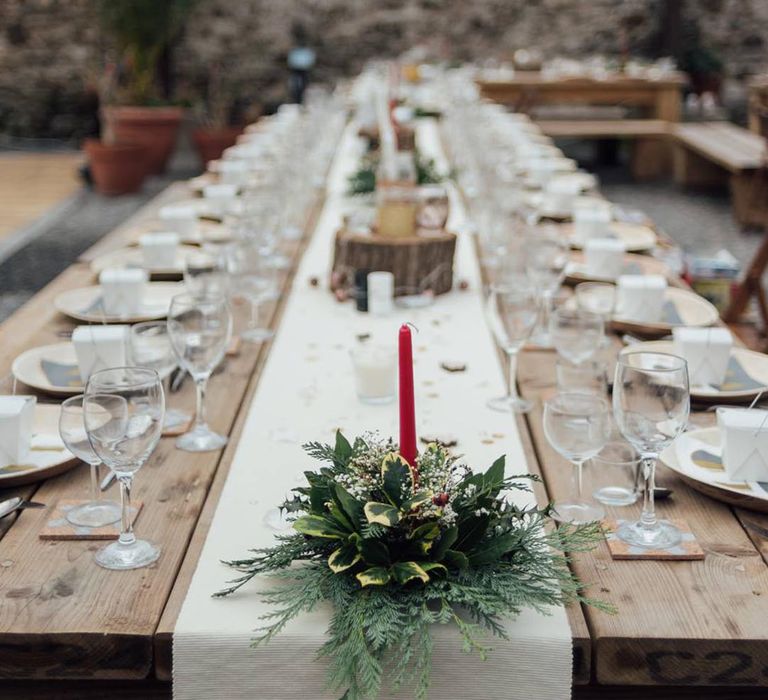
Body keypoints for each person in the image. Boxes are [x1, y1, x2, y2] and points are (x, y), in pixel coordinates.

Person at [287, 23, 316, 104]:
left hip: (303, 72)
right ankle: (297, 101)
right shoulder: (295, 50)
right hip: (296, 71)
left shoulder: (305, 50)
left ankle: (302, 101)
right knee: (295, 87)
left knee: (303, 86)